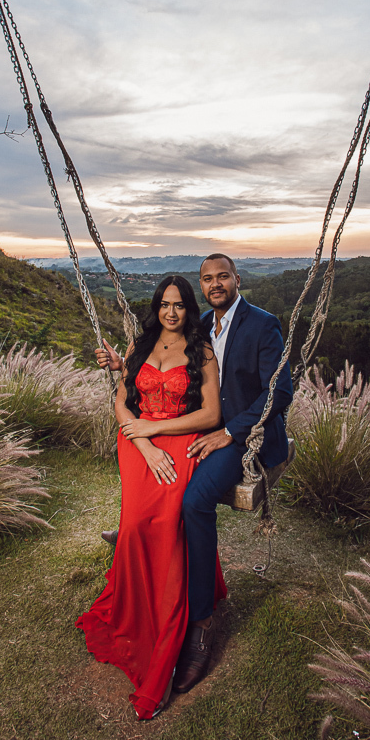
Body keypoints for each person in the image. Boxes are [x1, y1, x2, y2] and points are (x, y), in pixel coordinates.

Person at [96, 253, 292, 695]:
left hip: (245, 433)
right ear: (200, 287)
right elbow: (160, 366)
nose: (216, 283)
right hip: (205, 429)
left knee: (194, 501)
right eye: (208, 278)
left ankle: (200, 622)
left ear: (237, 279)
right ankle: (143, 542)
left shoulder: (263, 324)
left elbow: (280, 390)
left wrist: (229, 431)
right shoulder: (198, 324)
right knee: (166, 496)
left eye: (223, 276)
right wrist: (122, 367)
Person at [77, 275, 226, 720]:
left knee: (167, 523)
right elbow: (123, 404)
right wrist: (141, 441)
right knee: (137, 524)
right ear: (156, 307)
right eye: (165, 304)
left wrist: (156, 430)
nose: (171, 312)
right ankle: (136, 605)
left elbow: (211, 413)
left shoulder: (201, 351)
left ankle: (173, 617)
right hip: (137, 444)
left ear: (189, 309)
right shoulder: (138, 348)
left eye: (180, 305)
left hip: (179, 439)